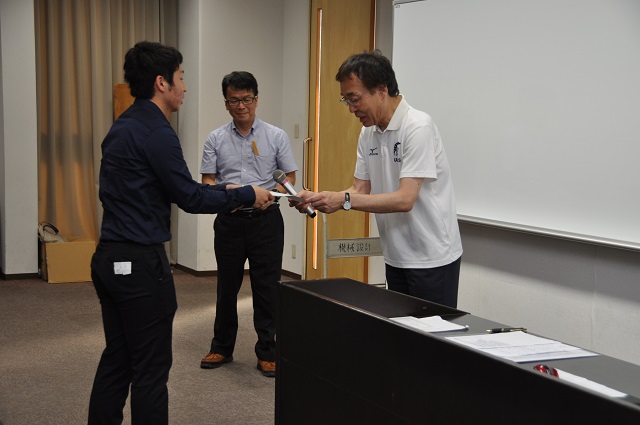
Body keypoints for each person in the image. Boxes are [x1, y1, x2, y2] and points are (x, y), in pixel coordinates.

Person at [89, 42, 273, 425]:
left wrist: (224, 190)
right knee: (151, 368)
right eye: (181, 77)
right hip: (141, 266)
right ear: (162, 82)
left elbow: (165, 187)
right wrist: (245, 194)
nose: (185, 87)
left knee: (118, 359)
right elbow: (190, 197)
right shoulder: (157, 131)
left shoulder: (123, 126)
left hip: (109, 259)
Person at [293, 50, 463, 308]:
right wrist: (320, 198)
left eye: (355, 99)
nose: (351, 109)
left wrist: (343, 200)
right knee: (398, 330)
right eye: (346, 100)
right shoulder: (368, 133)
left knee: (432, 333)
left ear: (382, 90)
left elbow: (405, 199)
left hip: (431, 257)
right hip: (395, 254)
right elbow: (359, 189)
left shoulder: (418, 127)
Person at [199, 71, 297, 377]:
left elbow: (289, 177)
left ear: (256, 99)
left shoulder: (276, 136)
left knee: (267, 288)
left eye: (246, 99)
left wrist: (271, 195)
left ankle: (268, 351)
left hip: (266, 221)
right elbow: (207, 181)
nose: (241, 105)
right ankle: (221, 347)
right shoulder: (215, 138)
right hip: (229, 220)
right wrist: (227, 194)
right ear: (226, 103)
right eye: (234, 100)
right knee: (226, 287)